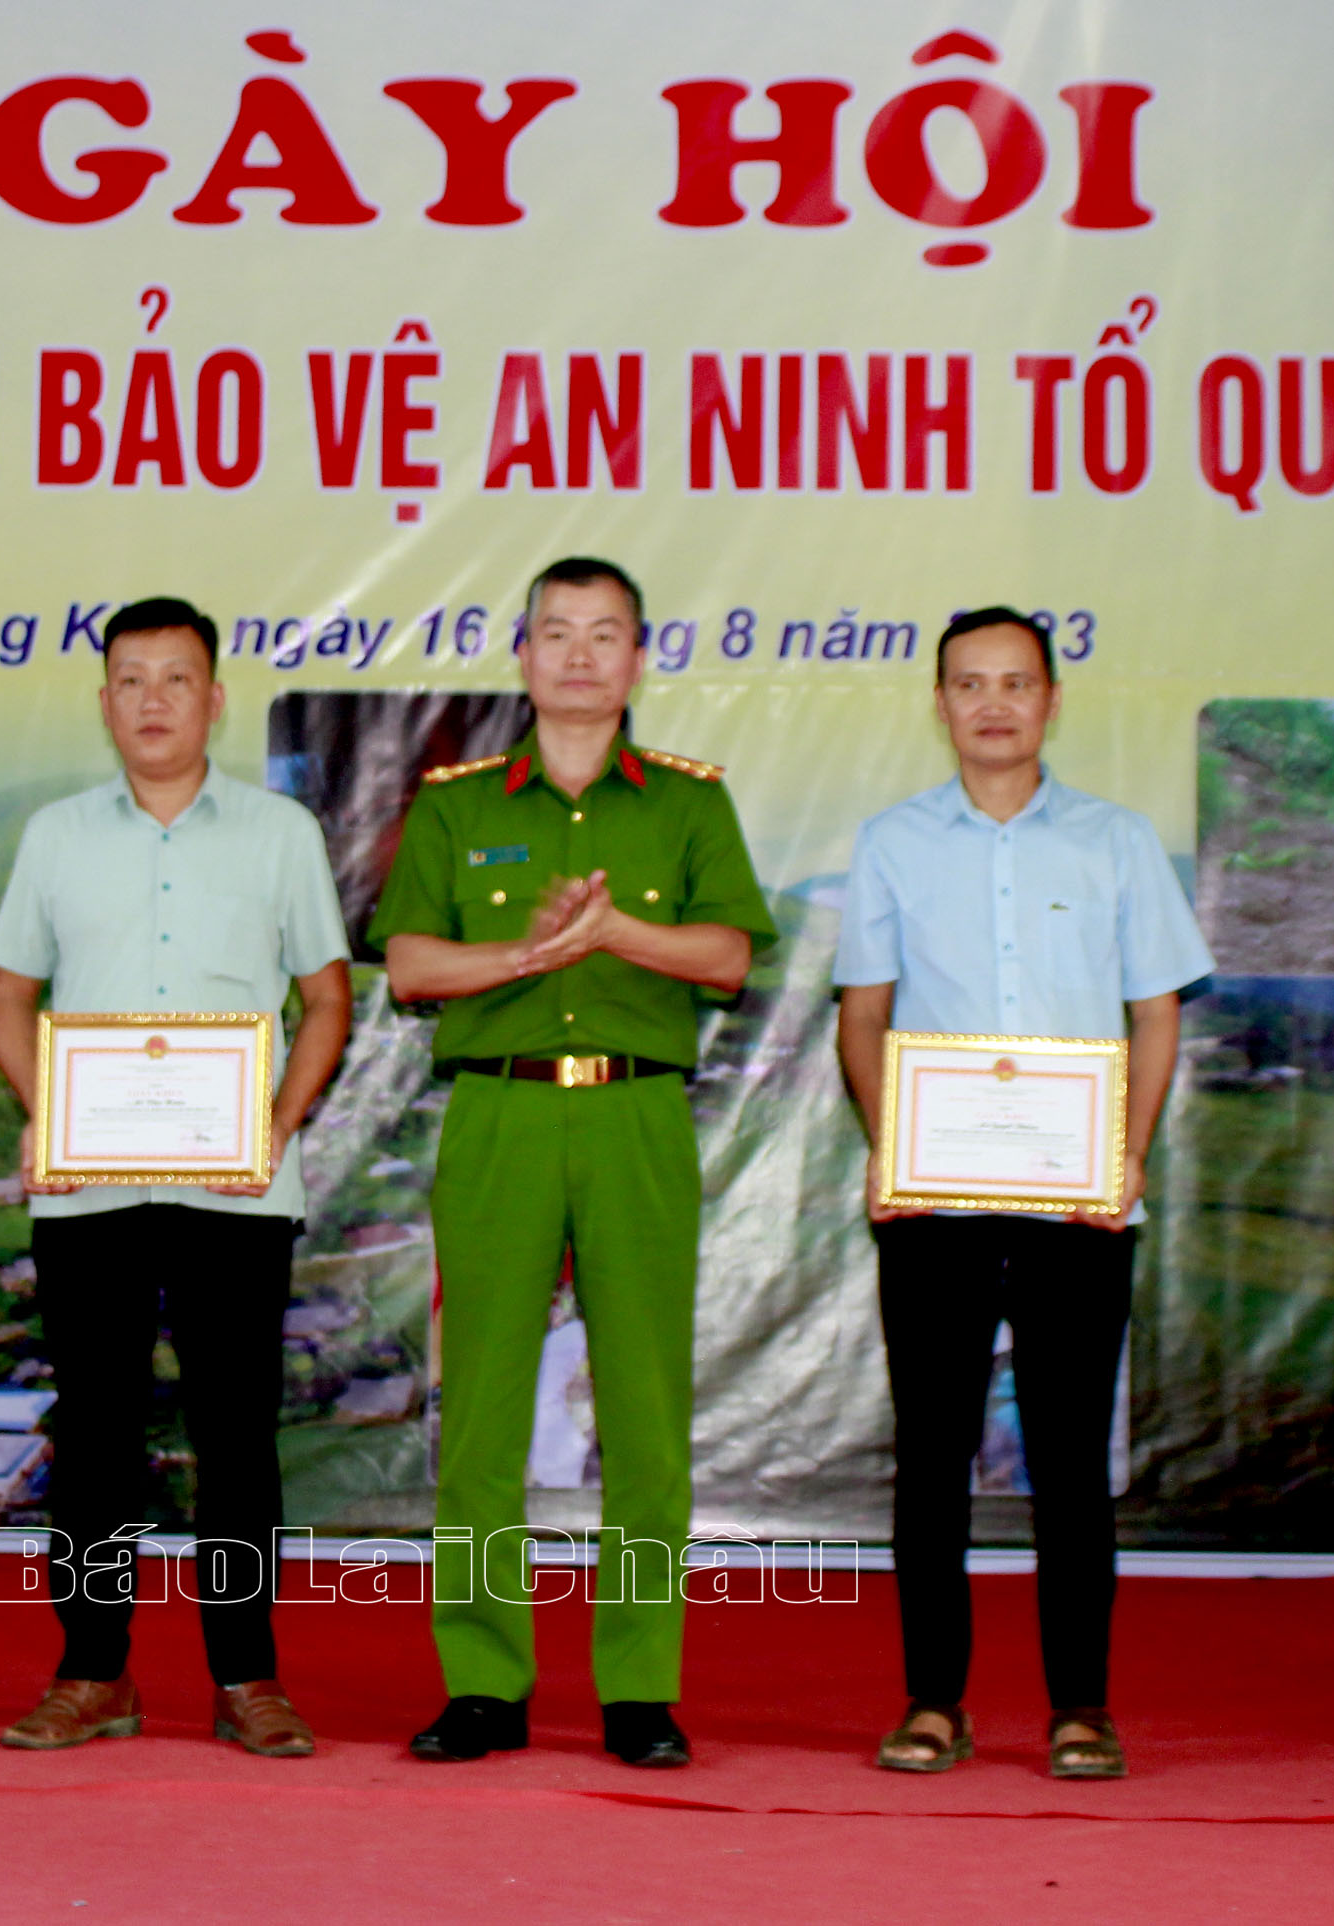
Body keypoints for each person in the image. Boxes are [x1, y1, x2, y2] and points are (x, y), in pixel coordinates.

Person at [369, 556, 775, 1770]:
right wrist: (525, 959)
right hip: (500, 1117)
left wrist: (613, 935)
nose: (582, 655)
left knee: (644, 1417)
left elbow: (727, 959)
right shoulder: (458, 805)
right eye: (558, 633)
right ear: (524, 657)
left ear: (640, 660)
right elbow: (407, 969)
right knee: (482, 1412)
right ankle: (485, 1682)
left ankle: (640, 1687)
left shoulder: (690, 803)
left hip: (636, 1120)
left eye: (607, 635)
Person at [835, 606, 1213, 1783]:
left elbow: (1156, 1012)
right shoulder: (893, 842)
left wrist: (1131, 1150)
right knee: (933, 1457)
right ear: (940, 703)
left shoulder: (1116, 842)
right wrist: (892, 1143)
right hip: (935, 1203)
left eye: (1015, 681)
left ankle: (1081, 1709)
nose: (992, 702)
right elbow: (863, 1016)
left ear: (1053, 700)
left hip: (1081, 1204)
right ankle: (932, 1701)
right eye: (968, 683)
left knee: (1068, 1461)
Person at [0, 596, 352, 1758]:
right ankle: (94, 1673)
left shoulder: (281, 833)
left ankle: (248, 1677)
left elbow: (328, 1001)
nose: (152, 699)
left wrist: (275, 1128)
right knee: (94, 1435)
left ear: (213, 699)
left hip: (236, 1195)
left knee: (236, 1438)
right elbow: (9, 1003)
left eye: (175, 679)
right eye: (130, 679)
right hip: (87, 1191)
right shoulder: (54, 835)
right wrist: (58, 1118)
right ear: (104, 704)